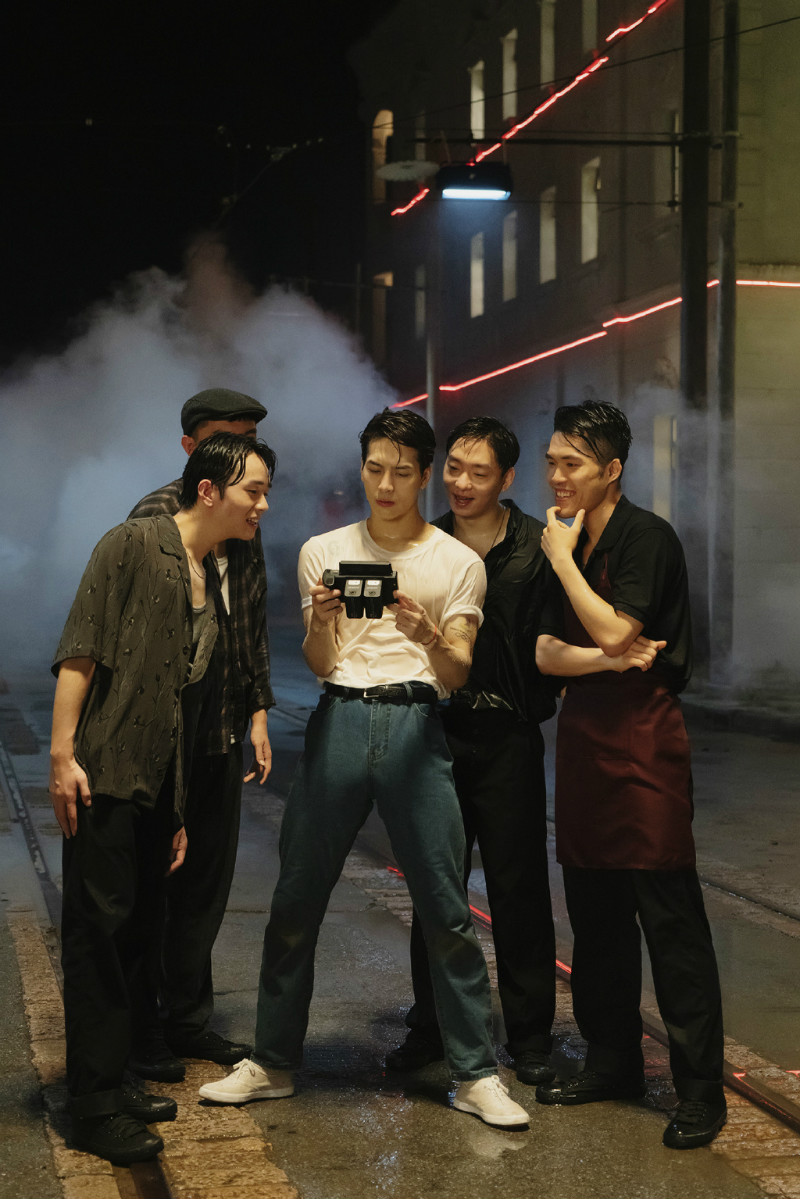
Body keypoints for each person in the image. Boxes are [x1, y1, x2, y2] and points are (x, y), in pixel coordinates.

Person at [198, 408, 530, 1128]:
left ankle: (476, 1073)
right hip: (340, 718)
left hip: (417, 722)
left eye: (402, 472)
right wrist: (321, 621)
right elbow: (321, 662)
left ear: (423, 475)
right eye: (375, 468)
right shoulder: (323, 550)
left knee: (445, 906)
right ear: (363, 467)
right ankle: (272, 1060)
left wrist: (427, 633)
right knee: (296, 899)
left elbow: (458, 671)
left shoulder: (457, 562)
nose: (385, 484)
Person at [50, 432, 276, 1165]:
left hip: (156, 785)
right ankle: (91, 1105)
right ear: (209, 489)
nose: (262, 506)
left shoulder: (207, 570)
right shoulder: (132, 544)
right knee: (98, 940)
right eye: (253, 491)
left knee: (137, 938)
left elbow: (182, 702)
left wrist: (176, 809)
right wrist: (62, 754)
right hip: (105, 774)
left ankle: (115, 1079)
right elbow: (81, 647)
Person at [534, 400, 726, 1150]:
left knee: (670, 920)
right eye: (553, 461)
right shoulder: (566, 534)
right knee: (595, 918)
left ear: (611, 469)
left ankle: (700, 1090)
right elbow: (546, 653)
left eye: (573, 463)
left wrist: (564, 567)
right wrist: (608, 658)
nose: (558, 475)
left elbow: (618, 625)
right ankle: (612, 1061)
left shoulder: (644, 537)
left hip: (644, 736)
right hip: (584, 737)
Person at [386, 416, 557, 1086]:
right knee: (436, 885)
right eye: (454, 468)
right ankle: (430, 1026)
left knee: (519, 888)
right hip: (436, 733)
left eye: (478, 472)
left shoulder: (539, 549)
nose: (461, 482)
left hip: (510, 737)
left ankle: (531, 1035)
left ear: (506, 478)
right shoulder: (422, 543)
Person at [127, 388, 274, 1082]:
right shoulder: (154, 519)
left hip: (221, 728)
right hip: (167, 734)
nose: (245, 453)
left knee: (207, 884)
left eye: (251, 439)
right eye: (228, 439)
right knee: (156, 883)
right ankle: (142, 1028)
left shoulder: (245, 519)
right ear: (192, 449)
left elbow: (251, 620)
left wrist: (259, 711)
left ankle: (186, 1019)